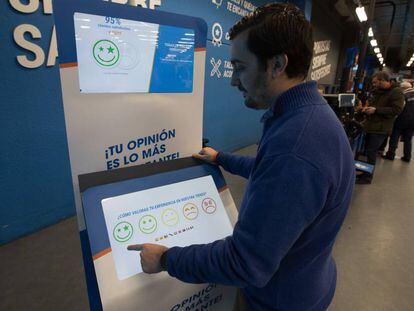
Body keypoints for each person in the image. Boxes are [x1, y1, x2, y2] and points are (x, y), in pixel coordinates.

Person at [128, 4, 355, 310]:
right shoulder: (310, 118)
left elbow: (245, 264)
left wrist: (167, 258)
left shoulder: (296, 145)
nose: (234, 81)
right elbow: (271, 171)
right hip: (309, 280)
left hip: (277, 301)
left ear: (276, 64)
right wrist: (222, 157)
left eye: (240, 67)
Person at [355, 72, 404, 184]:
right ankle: (364, 172)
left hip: (380, 128)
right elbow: (373, 104)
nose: (374, 85)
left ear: (383, 80)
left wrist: (376, 110)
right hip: (371, 126)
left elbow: (397, 110)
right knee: (367, 152)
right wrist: (366, 109)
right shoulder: (378, 92)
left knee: (371, 152)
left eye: (375, 82)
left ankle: (368, 177)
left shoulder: (396, 92)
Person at [382, 81, 414, 162]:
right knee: (408, 139)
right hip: (412, 122)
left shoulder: (404, 95)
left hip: (401, 120)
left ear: (403, 88)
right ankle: (407, 157)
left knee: (394, 137)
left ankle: (390, 154)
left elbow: (399, 108)